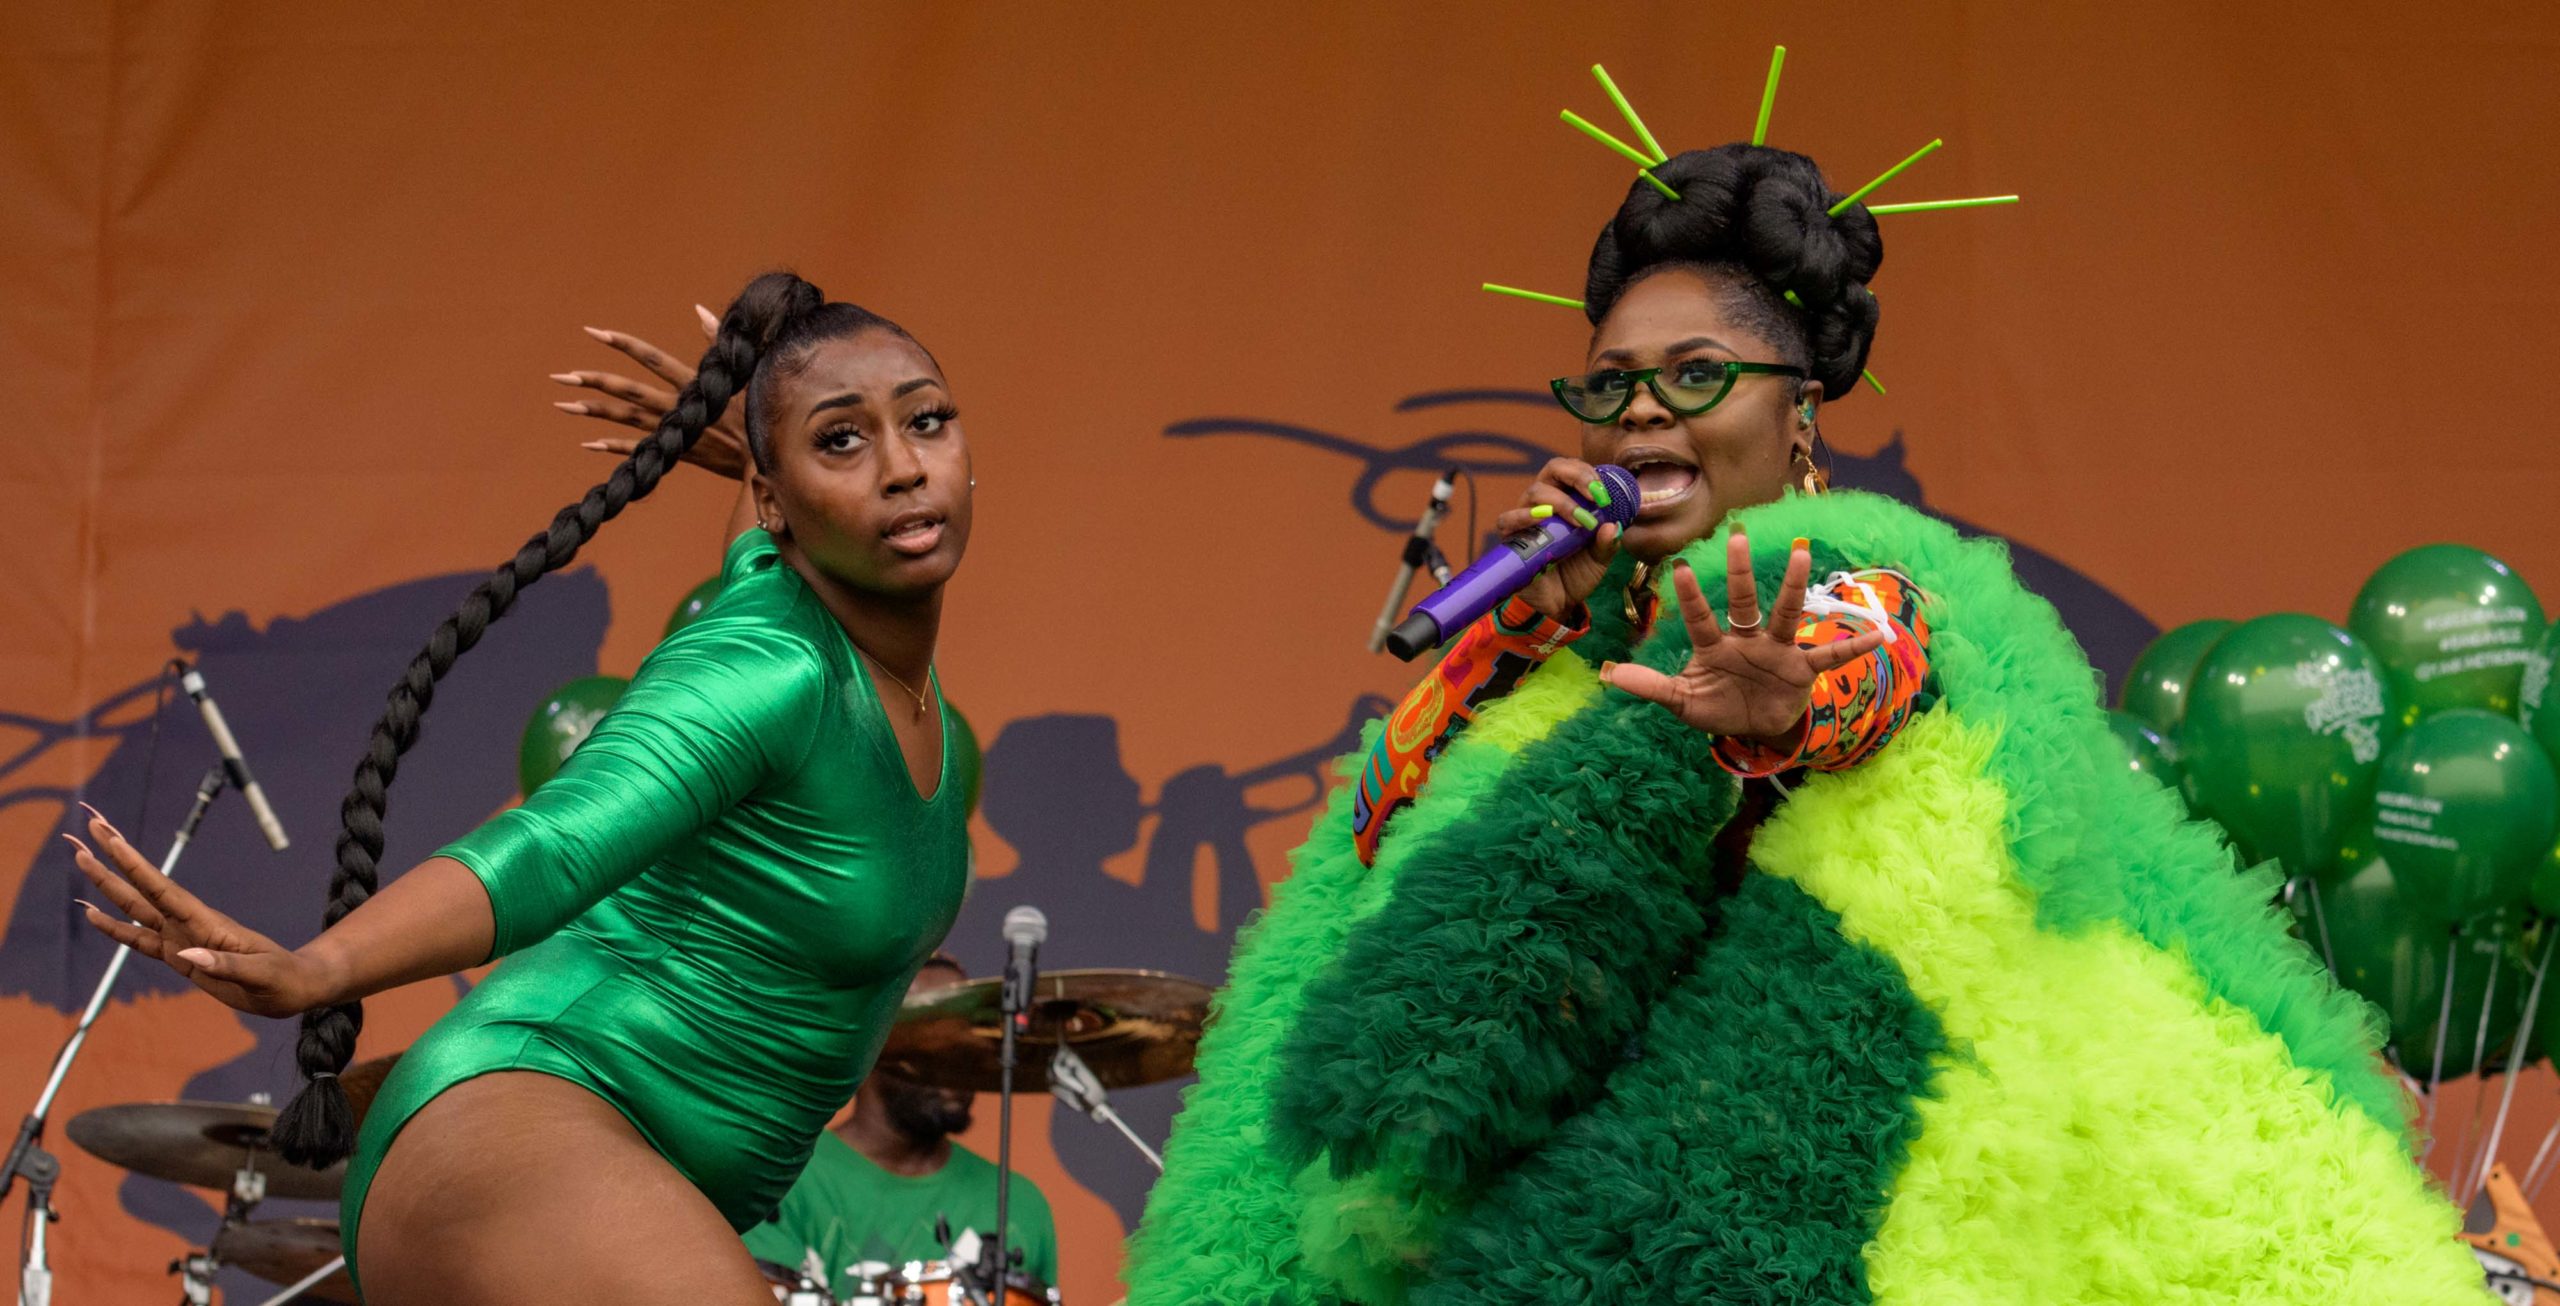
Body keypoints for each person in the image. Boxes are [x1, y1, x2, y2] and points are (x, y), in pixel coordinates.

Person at [1129, 139, 2486, 1302]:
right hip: (1575, 1181)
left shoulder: (1854, 578)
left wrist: (1778, 709)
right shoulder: (1558, 650)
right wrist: (1531, 629)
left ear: (1800, 417)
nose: (1644, 406)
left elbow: (1878, 652)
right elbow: (1391, 839)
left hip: (1813, 1193)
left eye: (1697, 373)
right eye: (1609, 383)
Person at [67, 270, 982, 1306]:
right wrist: (321, 969)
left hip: (619, 1177)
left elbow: (762, 543)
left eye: (926, 422)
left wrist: (783, 463)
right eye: (842, 442)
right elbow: (557, 842)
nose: (903, 469)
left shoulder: (825, 621)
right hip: (517, 1129)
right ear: (778, 499)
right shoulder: (769, 669)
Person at [740, 955, 1060, 1298]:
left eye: (963, 1038)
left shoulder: (1018, 1203)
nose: (955, 1057)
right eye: (931, 1035)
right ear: (869, 1042)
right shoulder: (780, 1182)